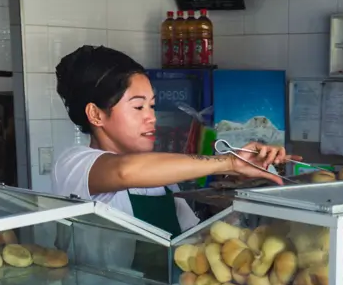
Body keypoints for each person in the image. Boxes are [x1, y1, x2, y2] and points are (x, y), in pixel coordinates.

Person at [51, 44, 290, 240]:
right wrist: (228, 162)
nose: (151, 117)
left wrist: (233, 199)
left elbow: (194, 241)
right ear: (96, 115)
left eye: (152, 105)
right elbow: (124, 171)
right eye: (138, 106)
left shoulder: (161, 182)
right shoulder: (74, 165)